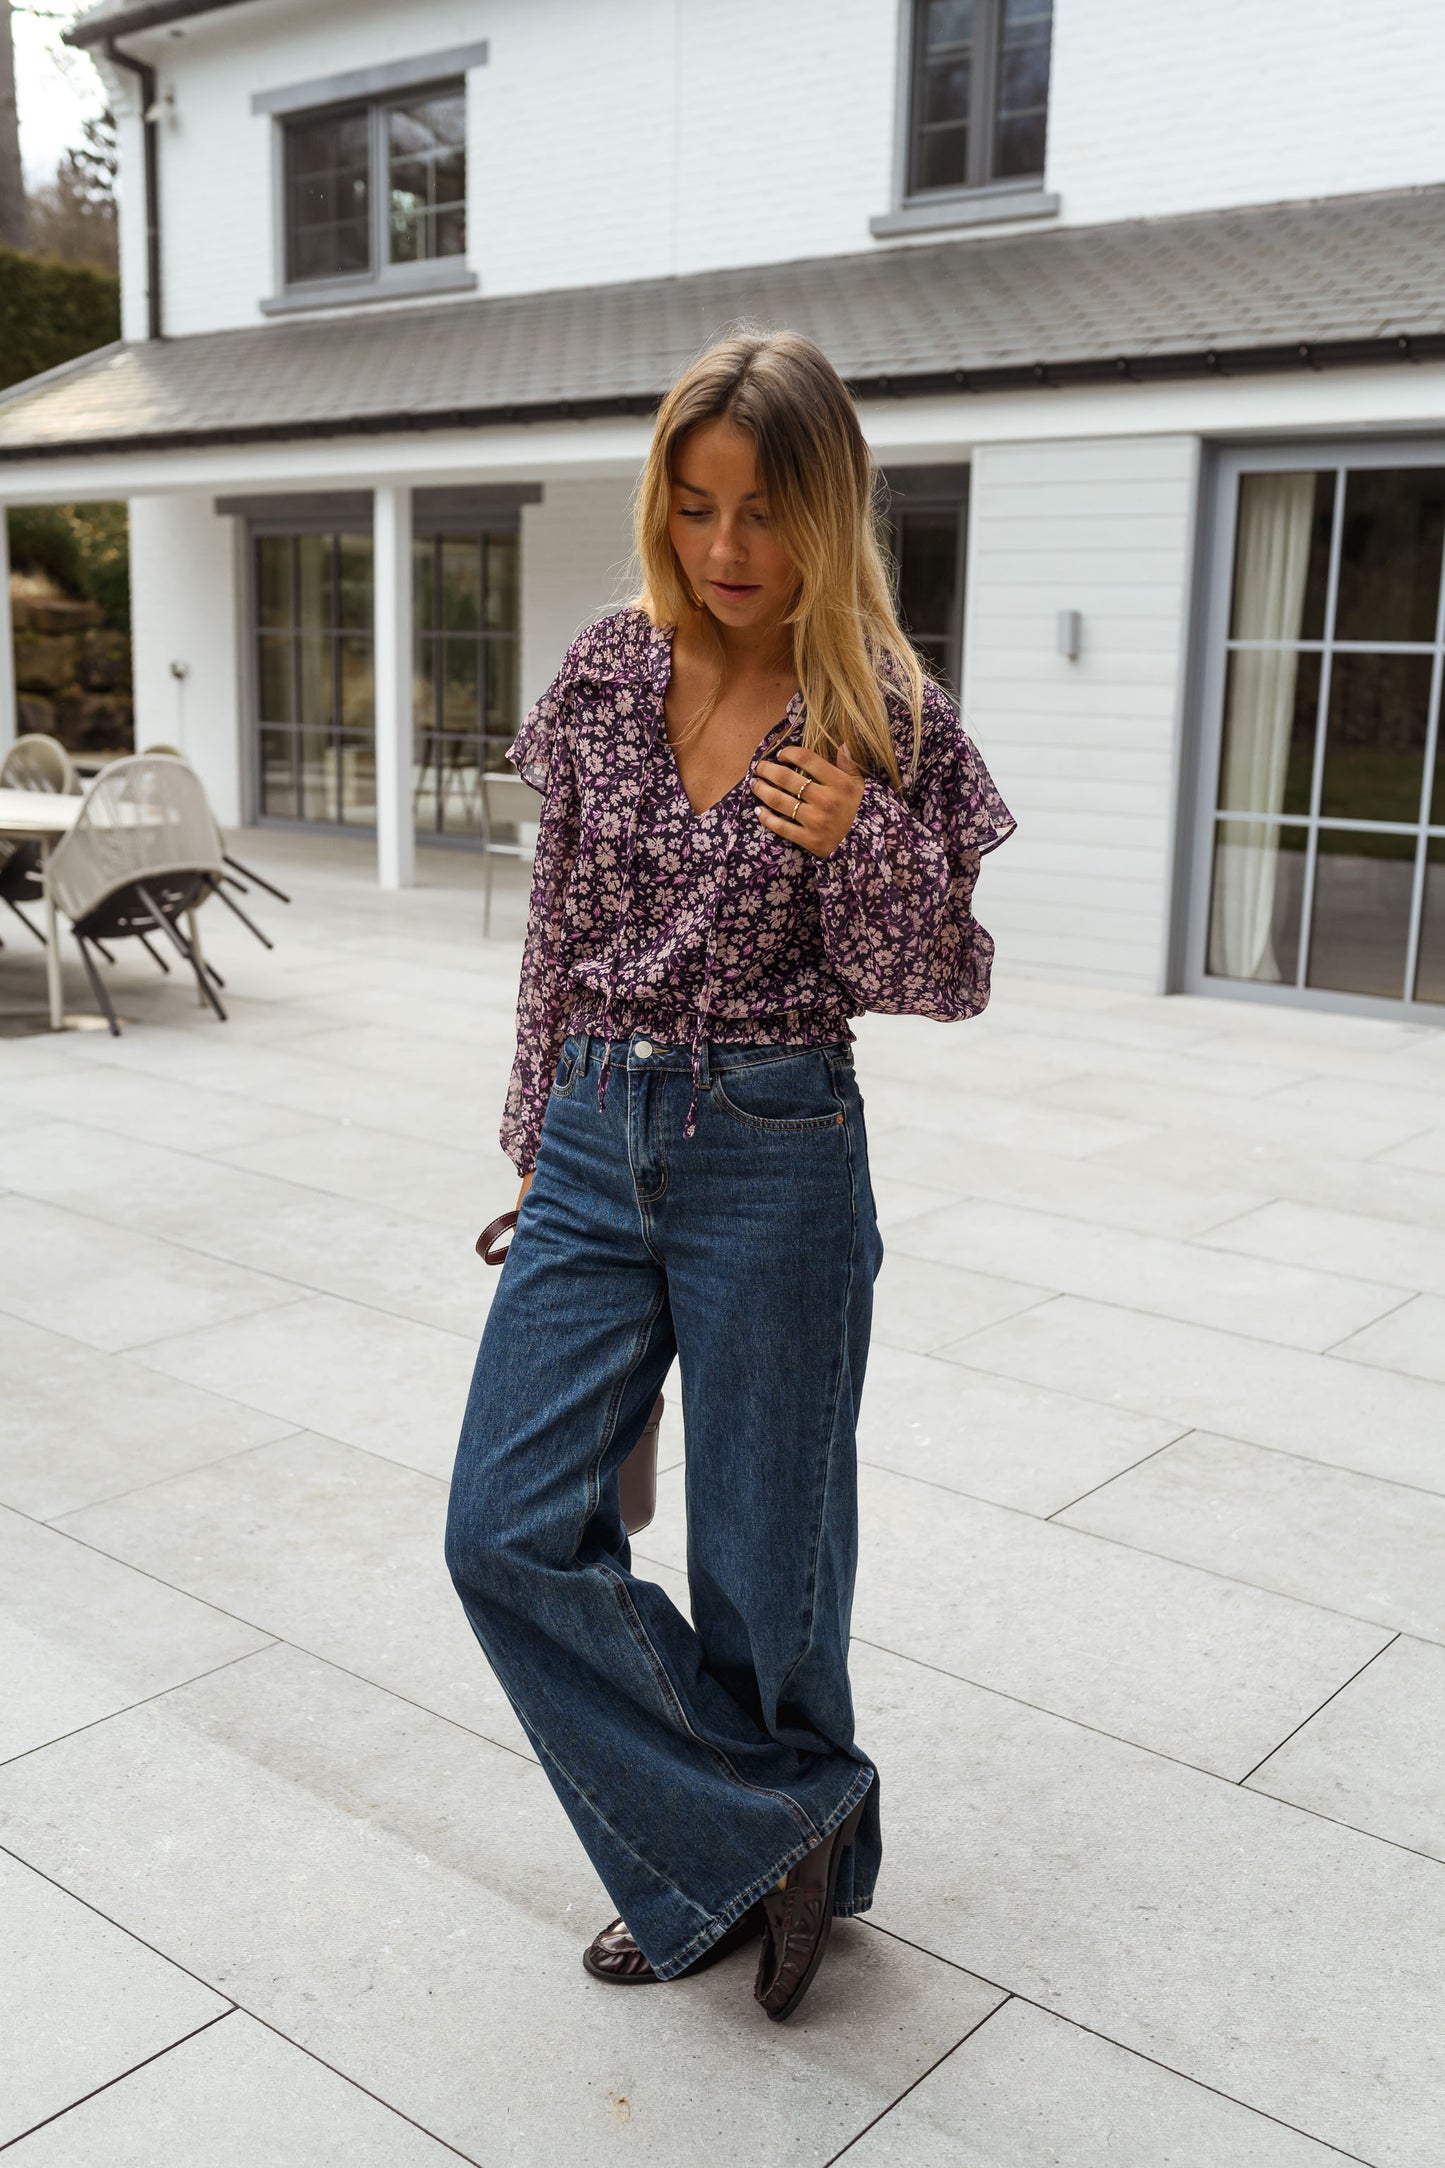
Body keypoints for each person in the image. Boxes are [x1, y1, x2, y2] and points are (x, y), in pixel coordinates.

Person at [445, 328, 1015, 2022]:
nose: (725, 550)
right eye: (692, 507)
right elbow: (553, 939)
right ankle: (769, 1831)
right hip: (591, 1133)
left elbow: (947, 977)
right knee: (505, 1530)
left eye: (762, 511)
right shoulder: (607, 673)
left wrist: (866, 846)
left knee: (768, 1560)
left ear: (826, 512)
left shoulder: (886, 716)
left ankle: (752, 1861)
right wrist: (533, 1145)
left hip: (776, 1141)